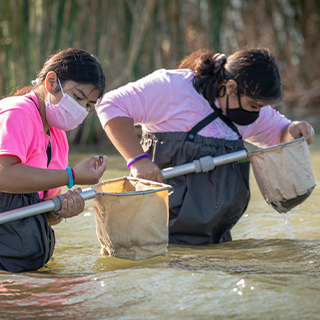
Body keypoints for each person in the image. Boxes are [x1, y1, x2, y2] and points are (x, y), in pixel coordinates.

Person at [95, 48, 314, 245]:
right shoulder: (173, 87)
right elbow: (110, 105)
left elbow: (282, 134)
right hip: (155, 237)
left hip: (216, 241)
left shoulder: (245, 110)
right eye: (254, 105)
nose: (257, 114)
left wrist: (295, 128)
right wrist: (137, 160)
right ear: (230, 87)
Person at [0, 48, 107, 272]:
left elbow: (42, 212)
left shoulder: (58, 137)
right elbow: (4, 174)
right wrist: (72, 176)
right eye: (78, 97)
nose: (81, 109)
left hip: (27, 266)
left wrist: (61, 210)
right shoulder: (16, 113)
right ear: (51, 82)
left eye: (88, 105)